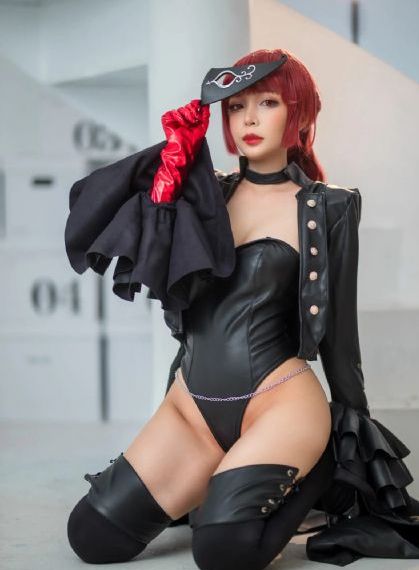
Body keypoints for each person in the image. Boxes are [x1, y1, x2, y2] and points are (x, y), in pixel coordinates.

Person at [64, 48, 419, 568]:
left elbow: (341, 335)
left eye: (268, 102)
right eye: (236, 106)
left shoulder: (330, 206)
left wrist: (352, 431)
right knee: (92, 536)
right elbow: (112, 222)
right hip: (192, 406)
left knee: (222, 553)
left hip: (280, 403)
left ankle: (319, 461)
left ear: (299, 112)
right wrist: (171, 165)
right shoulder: (203, 194)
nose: (249, 119)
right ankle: (224, 477)